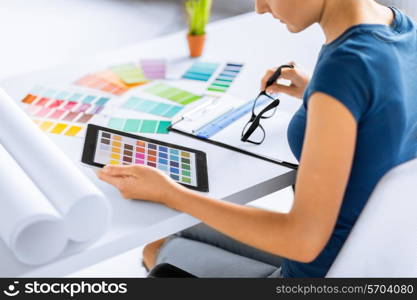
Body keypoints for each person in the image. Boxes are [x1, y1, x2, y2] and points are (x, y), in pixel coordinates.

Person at [97, 0, 417, 277]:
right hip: (370, 258)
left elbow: (301, 241)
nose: (260, 8)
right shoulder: (401, 25)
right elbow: (388, 118)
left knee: (158, 245)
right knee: (180, 232)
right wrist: (318, 95)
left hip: (317, 269)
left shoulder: (344, 68)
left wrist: (170, 193)